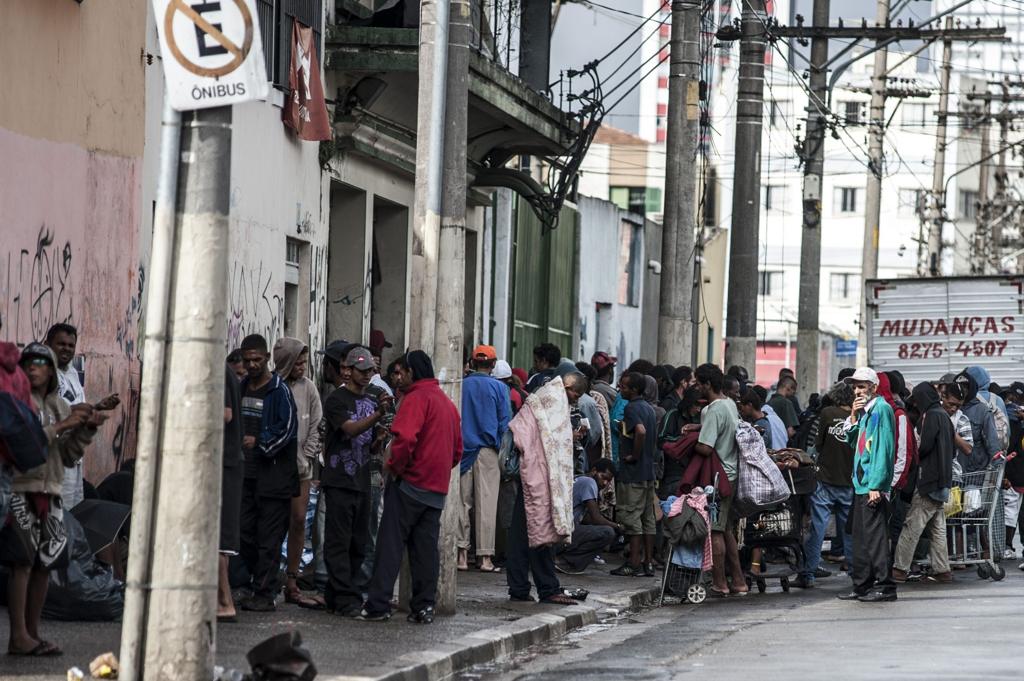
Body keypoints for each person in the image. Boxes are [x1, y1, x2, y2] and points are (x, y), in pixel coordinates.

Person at [3, 343, 101, 656]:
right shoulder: (18, 401)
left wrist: (85, 431)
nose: (33, 368)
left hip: (52, 491)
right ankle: (18, 635)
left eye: (40, 363)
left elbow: (69, 456)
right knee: (22, 562)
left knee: (45, 564)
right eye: (27, 363)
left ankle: (33, 633)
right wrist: (62, 426)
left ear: (49, 370)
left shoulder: (60, 404)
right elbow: (21, 439)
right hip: (22, 488)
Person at [361, 351, 461, 623]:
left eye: (401, 372)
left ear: (413, 372)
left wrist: (396, 469)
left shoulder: (416, 399)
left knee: (390, 545)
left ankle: (378, 605)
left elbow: (404, 440)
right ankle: (423, 607)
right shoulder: (447, 404)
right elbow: (457, 451)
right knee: (424, 551)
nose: (397, 377)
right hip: (435, 489)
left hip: (410, 484)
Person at [321, 346, 389, 617]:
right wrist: (376, 417)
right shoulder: (337, 400)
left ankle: (337, 595)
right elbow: (349, 430)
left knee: (358, 543)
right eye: (362, 371)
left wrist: (379, 438)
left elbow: (368, 445)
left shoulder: (371, 402)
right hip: (339, 480)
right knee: (338, 541)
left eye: (370, 371)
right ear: (347, 371)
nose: (367, 376)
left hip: (362, 480)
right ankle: (345, 597)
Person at [238, 334, 299, 612]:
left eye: (256, 360)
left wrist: (259, 443)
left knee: (269, 537)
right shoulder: (241, 388)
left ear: (266, 359)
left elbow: (286, 430)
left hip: (274, 478)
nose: (251, 365)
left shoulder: (279, 391)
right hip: (246, 476)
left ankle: (264, 593)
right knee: (244, 532)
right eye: (247, 360)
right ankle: (259, 582)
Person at [837, 367, 897, 603]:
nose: (857, 391)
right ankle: (862, 584)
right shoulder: (865, 411)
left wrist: (876, 485)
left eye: (862, 386)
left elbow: (883, 449)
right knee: (861, 539)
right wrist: (853, 416)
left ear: (873, 387)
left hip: (871, 485)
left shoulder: (881, 410)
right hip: (861, 483)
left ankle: (885, 585)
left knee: (876, 539)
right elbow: (853, 441)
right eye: (855, 386)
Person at [272, 337, 324, 609]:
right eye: (298, 362)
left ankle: (292, 580)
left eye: (305, 362)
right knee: (272, 522)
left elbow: (316, 424)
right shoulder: (274, 386)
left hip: (301, 468)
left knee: (298, 520)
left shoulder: (309, 389)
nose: (302, 366)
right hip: (274, 468)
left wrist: (306, 455)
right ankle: (268, 578)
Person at [689, 363, 746, 596]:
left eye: (699, 383)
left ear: (708, 384)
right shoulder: (730, 404)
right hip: (732, 473)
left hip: (718, 477)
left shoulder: (714, 409)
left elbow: (705, 448)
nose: (697, 388)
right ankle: (739, 581)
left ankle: (720, 583)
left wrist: (687, 442)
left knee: (715, 531)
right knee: (727, 529)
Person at [892, 381, 954, 585]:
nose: (916, 406)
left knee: (912, 525)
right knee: (937, 528)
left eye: (917, 401)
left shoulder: (931, 416)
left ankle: (899, 569)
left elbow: (924, 447)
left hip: (929, 480)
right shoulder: (944, 415)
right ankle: (942, 569)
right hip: (943, 480)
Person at [797, 381, 855, 588]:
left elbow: (818, 444)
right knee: (848, 530)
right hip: (849, 481)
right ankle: (856, 574)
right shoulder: (859, 416)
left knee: (818, 527)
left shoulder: (828, 413)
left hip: (825, 478)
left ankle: (808, 574)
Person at [458, 345, 510, 573]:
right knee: (486, 505)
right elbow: (504, 424)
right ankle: (485, 558)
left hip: (462, 450)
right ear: (492, 364)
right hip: (488, 451)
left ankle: (460, 555)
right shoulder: (499, 388)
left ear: (471, 362)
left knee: (461, 503)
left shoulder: (460, 385)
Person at [610, 372, 658, 577]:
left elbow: (640, 431)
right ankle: (648, 562)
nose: (621, 390)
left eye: (625, 387)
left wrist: (632, 456)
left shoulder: (632, 408)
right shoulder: (649, 408)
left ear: (635, 390)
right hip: (648, 473)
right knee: (648, 518)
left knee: (631, 518)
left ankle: (634, 562)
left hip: (634, 473)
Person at [45, 324, 86, 510]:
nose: (66, 349)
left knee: (72, 515)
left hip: (73, 458)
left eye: (71, 345)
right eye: (61, 343)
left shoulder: (73, 374)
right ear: (48, 344)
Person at [556, 460, 621, 574]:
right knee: (607, 533)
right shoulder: (589, 482)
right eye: (603, 477)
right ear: (594, 471)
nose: (605, 483)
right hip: (560, 536)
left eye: (608, 481)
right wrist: (618, 526)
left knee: (601, 529)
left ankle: (560, 559)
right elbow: (596, 518)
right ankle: (564, 561)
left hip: (556, 534)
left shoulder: (579, 479)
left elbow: (587, 518)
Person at [218, 364, 244, 621]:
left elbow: (225, 414)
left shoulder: (216, 368)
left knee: (218, 541)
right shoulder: (224, 371)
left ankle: (224, 601)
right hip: (226, 461)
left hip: (224, 463)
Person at [768, 374, 800, 442]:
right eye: (793, 390)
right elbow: (790, 432)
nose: (793, 393)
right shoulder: (786, 403)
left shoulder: (769, 402)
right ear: (788, 388)